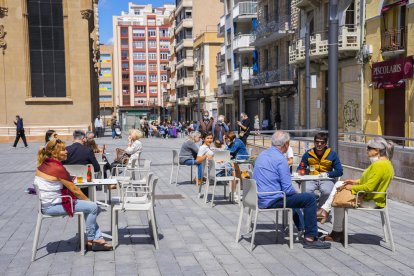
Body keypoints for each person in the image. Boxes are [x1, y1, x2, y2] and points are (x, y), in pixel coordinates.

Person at [253, 131, 331, 249]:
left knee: (297, 199)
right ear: (286, 144)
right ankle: (310, 238)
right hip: (272, 199)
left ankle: (304, 228)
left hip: (259, 197)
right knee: (309, 198)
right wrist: (298, 194)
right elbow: (287, 189)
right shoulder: (280, 159)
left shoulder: (263, 154)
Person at [35, 138, 112, 251]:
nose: (66, 152)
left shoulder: (45, 164)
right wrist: (89, 202)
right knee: (93, 207)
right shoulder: (57, 167)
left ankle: (97, 238)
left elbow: (56, 181)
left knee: (89, 207)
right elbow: (75, 190)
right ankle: (92, 238)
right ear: (54, 153)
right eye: (63, 150)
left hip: (47, 203)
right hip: (52, 206)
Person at [320, 138, 395, 242]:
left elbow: (369, 187)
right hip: (376, 198)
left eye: (369, 148)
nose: (366, 150)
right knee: (340, 186)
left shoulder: (379, 165)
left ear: (377, 150)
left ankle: (333, 226)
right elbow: (371, 181)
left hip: (370, 200)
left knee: (338, 200)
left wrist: (352, 188)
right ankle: (327, 214)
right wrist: (355, 181)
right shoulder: (387, 163)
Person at [299, 132, 343, 208]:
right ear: (314, 142)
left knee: (327, 191)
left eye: (322, 142)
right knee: (306, 190)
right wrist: (303, 171)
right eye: (317, 142)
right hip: (312, 178)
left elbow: (339, 171)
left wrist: (328, 174)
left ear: (325, 144)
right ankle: (311, 207)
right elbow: (300, 168)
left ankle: (322, 210)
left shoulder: (332, 154)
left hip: (326, 178)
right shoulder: (308, 154)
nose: (319, 144)